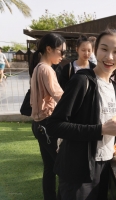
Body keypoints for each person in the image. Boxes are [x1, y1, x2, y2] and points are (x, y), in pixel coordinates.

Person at [46, 28, 116, 200]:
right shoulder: (82, 81)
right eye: (104, 49)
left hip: (105, 164)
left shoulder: (112, 86)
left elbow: (101, 118)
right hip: (78, 170)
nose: (109, 57)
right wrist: (100, 130)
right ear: (96, 51)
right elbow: (54, 125)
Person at [29, 33, 66, 200]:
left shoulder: (38, 67)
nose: (63, 56)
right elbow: (60, 97)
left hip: (38, 125)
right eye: (61, 51)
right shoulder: (47, 69)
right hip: (46, 125)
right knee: (62, 166)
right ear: (49, 49)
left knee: (49, 166)